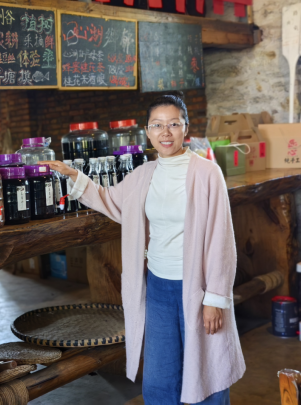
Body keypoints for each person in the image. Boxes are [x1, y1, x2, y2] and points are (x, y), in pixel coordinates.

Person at [40, 92, 245, 405]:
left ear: (186, 128)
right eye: (157, 125)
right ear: (148, 132)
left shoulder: (207, 173)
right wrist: (74, 177)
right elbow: (110, 200)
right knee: (160, 375)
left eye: (173, 124)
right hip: (158, 287)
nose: (166, 132)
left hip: (199, 287)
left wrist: (215, 299)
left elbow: (222, 240)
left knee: (206, 368)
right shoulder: (143, 175)